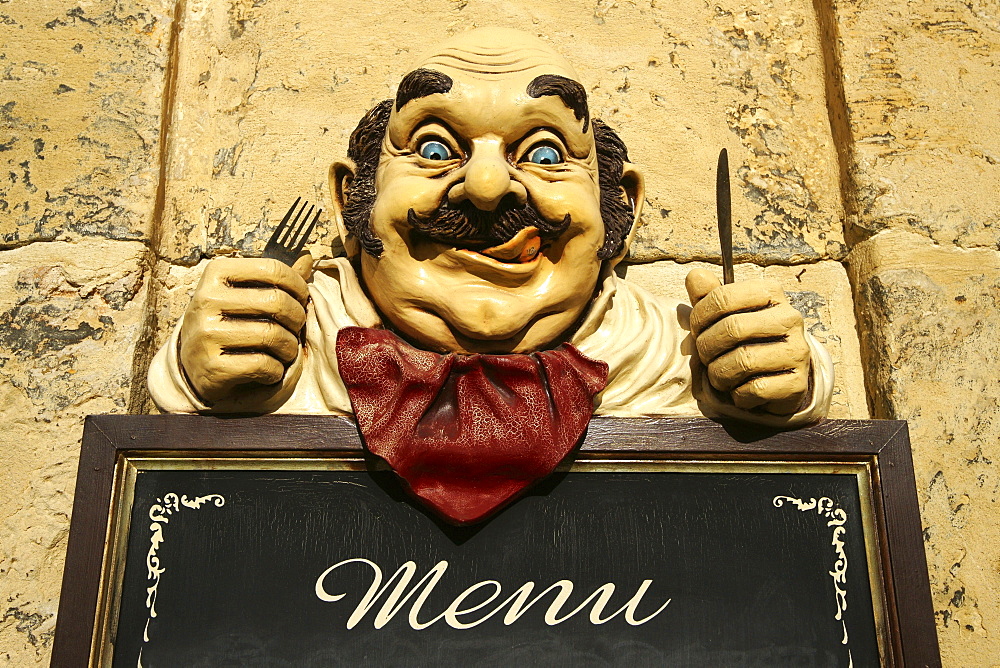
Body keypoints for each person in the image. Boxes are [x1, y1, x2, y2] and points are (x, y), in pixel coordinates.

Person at [147, 28, 831, 522]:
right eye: (435, 146)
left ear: (619, 205)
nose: (484, 187)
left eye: (543, 151)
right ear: (350, 197)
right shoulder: (297, 338)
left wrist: (775, 378)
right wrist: (197, 364)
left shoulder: (673, 353)